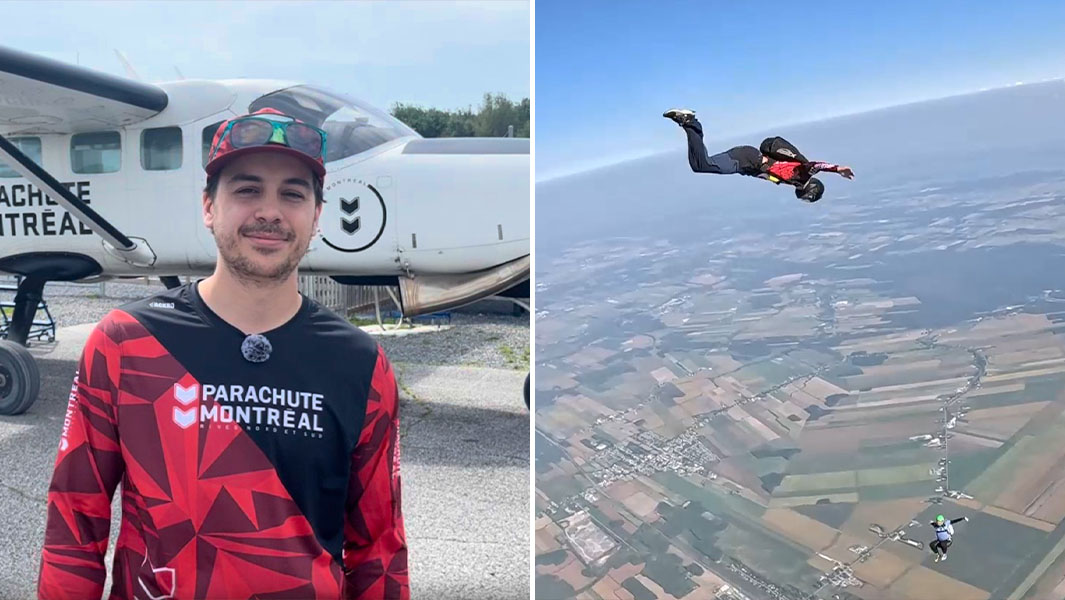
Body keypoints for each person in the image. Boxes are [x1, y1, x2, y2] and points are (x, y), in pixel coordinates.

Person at [38, 108, 408, 599]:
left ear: (316, 216)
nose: (269, 212)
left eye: (292, 194)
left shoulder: (363, 365)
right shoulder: (125, 343)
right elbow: (74, 521)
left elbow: (379, 550)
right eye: (247, 189)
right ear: (209, 206)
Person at [663, 108, 855, 202]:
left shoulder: (793, 181)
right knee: (702, 165)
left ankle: (690, 124)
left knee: (700, 165)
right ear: (811, 189)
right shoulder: (802, 173)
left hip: (746, 163)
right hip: (746, 158)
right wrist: (837, 169)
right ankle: (690, 122)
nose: (803, 199)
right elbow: (816, 165)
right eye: (808, 198)